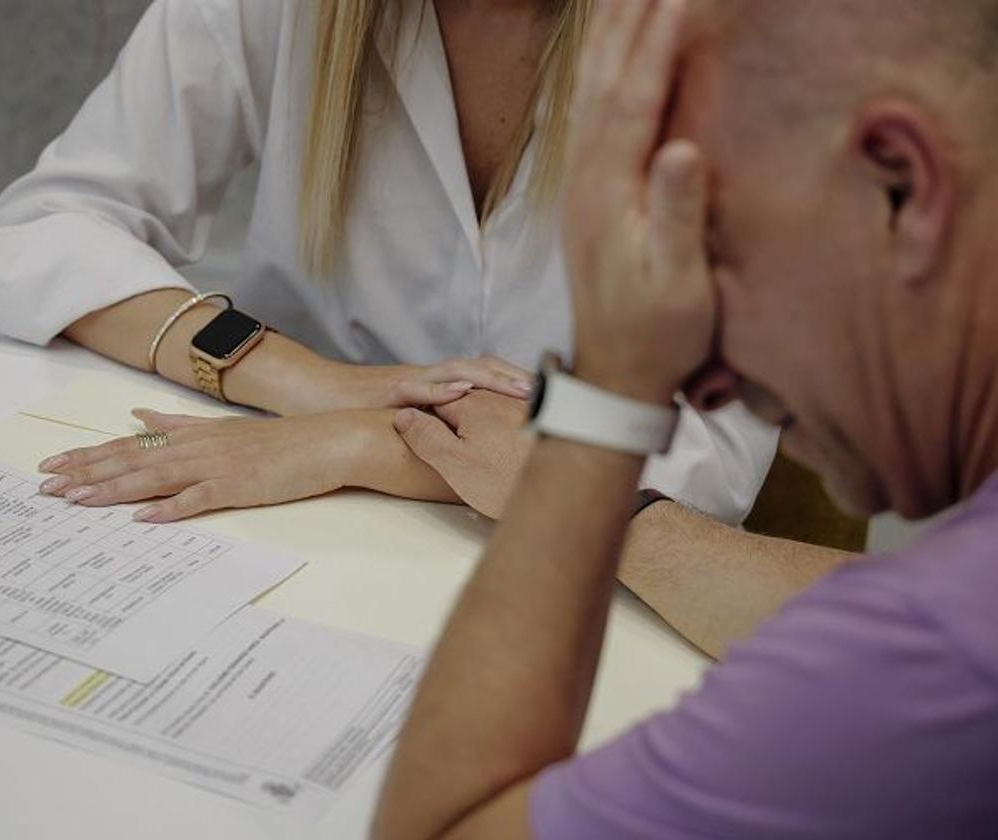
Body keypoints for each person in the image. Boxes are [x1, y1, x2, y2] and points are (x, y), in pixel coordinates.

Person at [0, 0, 820, 656]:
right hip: (276, 516)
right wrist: (296, 377)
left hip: (582, 579)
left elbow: (702, 452)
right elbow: (44, 230)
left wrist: (368, 440)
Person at [373, 0, 998, 836]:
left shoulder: (944, 649)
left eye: (713, 248)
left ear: (902, 182)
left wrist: (607, 395)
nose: (701, 385)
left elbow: (437, 827)